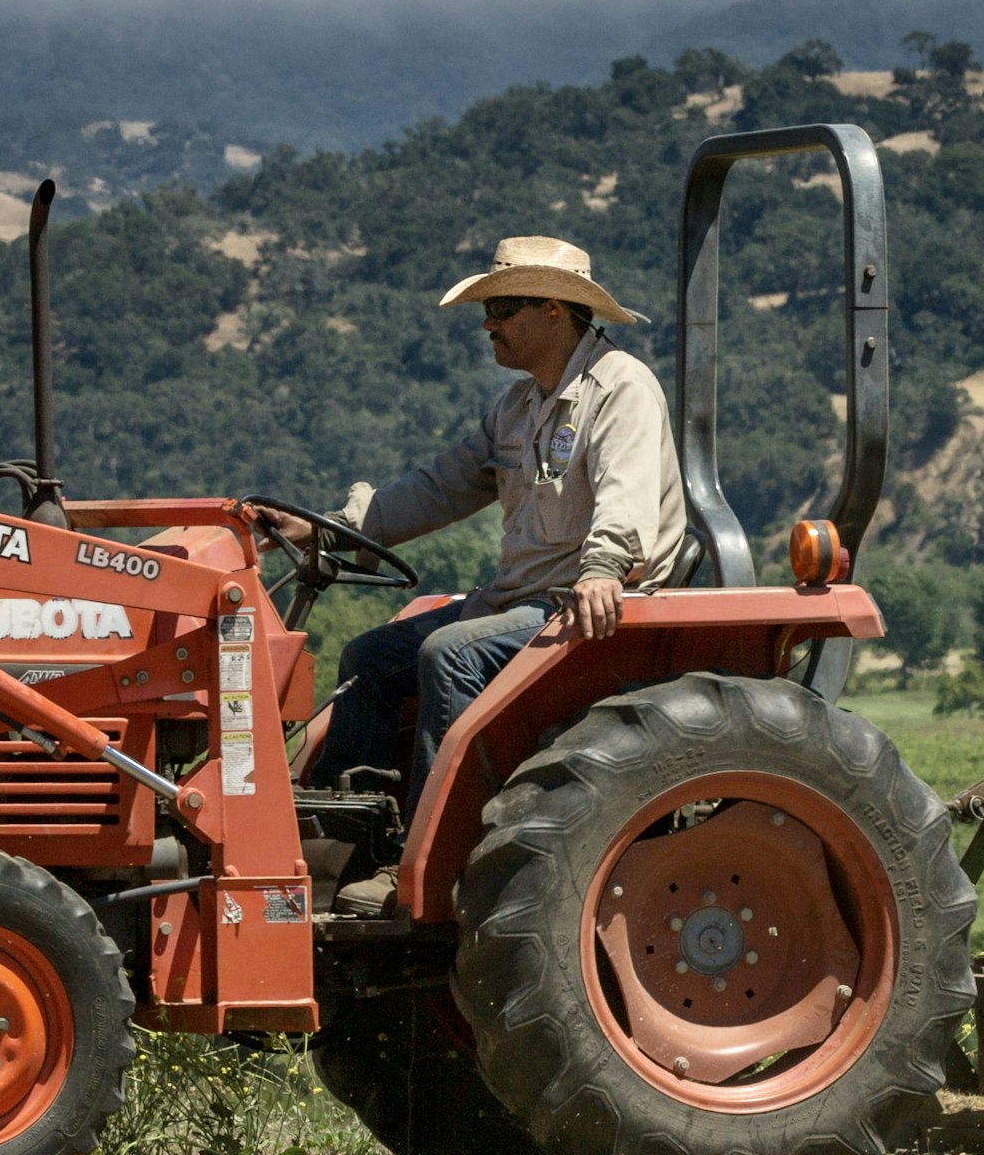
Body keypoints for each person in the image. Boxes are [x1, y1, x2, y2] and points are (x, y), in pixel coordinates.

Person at [283, 234, 691, 805]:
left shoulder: (621, 389)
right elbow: (441, 486)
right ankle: (344, 830)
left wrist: (602, 567)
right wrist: (332, 529)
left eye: (501, 310)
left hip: (581, 603)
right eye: (486, 310)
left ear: (552, 311)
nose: (487, 325)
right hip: (518, 601)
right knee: (368, 657)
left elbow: (627, 494)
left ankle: (432, 854)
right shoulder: (518, 406)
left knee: (450, 653)